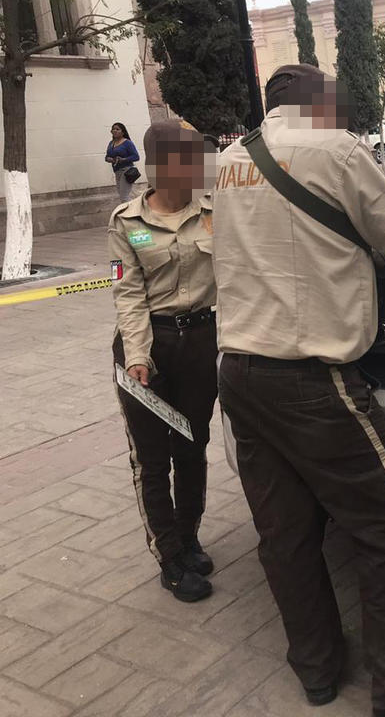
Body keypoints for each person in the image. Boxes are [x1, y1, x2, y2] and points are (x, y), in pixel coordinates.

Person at [213, 64, 385, 715]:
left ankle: (317, 670)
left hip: (240, 373)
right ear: (317, 103)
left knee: (286, 532)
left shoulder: (232, 159)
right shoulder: (338, 150)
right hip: (312, 381)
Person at [109, 119, 219, 602]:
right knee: (151, 459)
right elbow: (127, 293)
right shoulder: (126, 222)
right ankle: (169, 557)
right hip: (148, 349)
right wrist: (137, 356)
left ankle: (189, 535)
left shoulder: (214, 210)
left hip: (200, 343)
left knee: (193, 444)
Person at [106, 122, 140, 203]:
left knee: (124, 197)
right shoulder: (111, 143)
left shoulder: (127, 143)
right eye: (113, 129)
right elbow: (107, 156)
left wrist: (123, 159)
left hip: (126, 171)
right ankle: (134, 208)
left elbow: (136, 157)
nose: (115, 131)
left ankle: (134, 209)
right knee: (122, 195)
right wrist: (108, 159)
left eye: (117, 129)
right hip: (117, 172)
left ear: (123, 132)